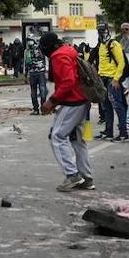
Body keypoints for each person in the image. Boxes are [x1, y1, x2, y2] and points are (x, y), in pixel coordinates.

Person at [40, 31, 94, 191]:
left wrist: (52, 101)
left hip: (72, 102)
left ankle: (72, 175)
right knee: (77, 140)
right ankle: (87, 178)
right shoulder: (68, 50)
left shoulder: (58, 55)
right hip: (82, 100)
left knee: (57, 136)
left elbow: (68, 81)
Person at [95, 26, 129, 141]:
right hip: (103, 79)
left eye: (103, 31)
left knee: (118, 106)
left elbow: (121, 63)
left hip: (112, 80)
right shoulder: (101, 45)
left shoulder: (114, 44)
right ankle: (108, 132)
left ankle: (123, 133)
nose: (101, 34)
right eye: (99, 31)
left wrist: (116, 79)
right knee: (106, 107)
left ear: (108, 32)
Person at [24, 35, 49, 115]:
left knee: (43, 91)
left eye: (29, 40)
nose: (28, 42)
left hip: (41, 72)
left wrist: (47, 71)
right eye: (27, 40)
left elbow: (46, 59)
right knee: (33, 92)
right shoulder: (26, 51)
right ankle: (35, 109)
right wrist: (26, 73)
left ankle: (43, 108)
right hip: (32, 73)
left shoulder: (41, 49)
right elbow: (25, 62)